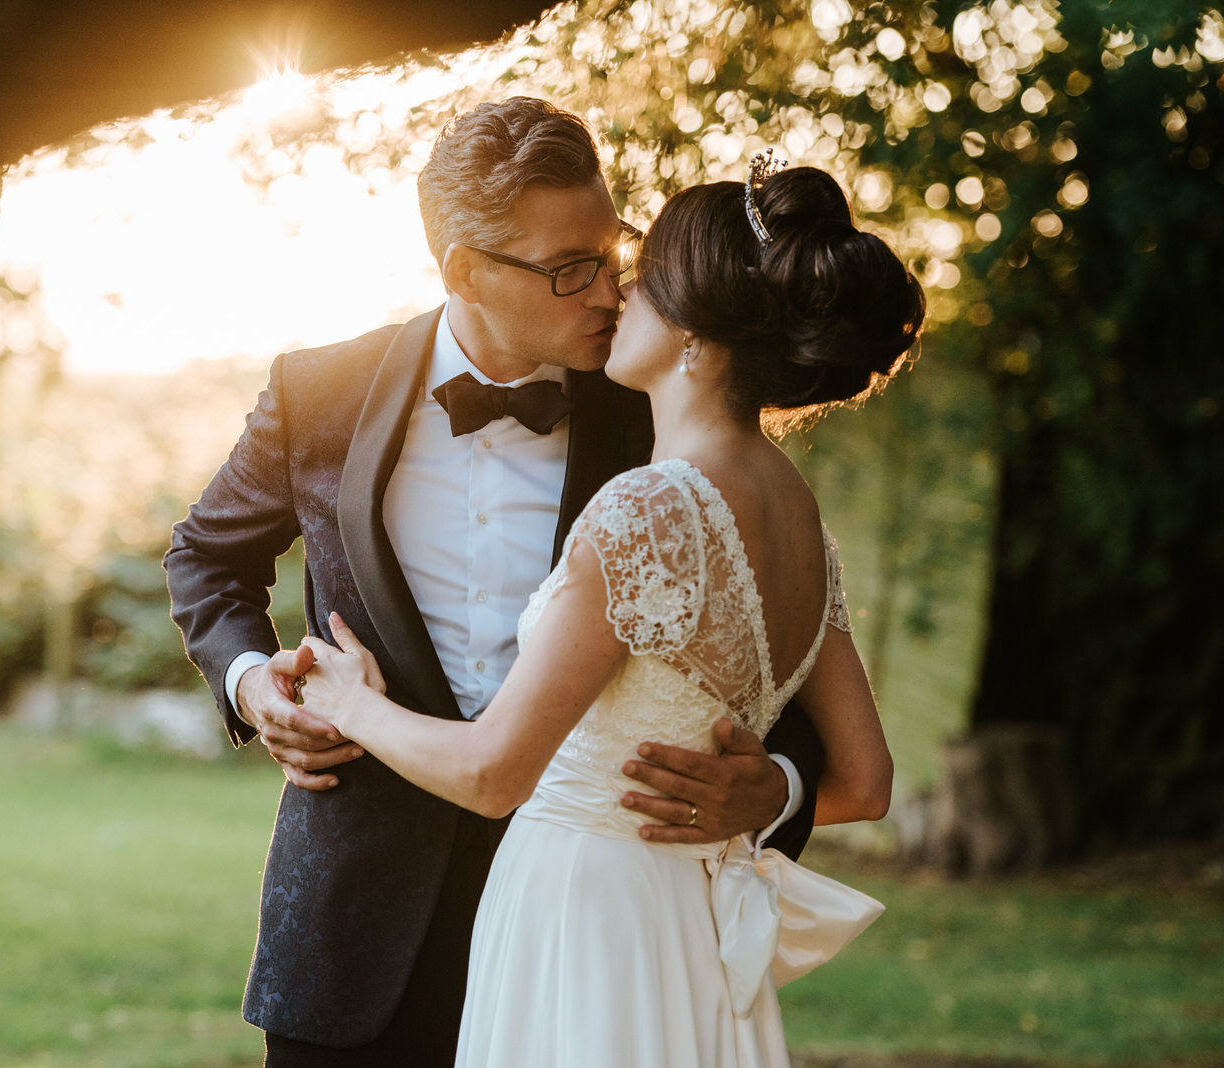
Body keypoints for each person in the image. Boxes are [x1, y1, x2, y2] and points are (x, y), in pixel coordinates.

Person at [164, 98, 827, 1066]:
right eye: (570, 269)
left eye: (613, 253)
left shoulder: (667, 415)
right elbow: (204, 555)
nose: (609, 291)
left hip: (588, 926)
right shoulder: (320, 394)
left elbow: (771, 637)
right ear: (464, 272)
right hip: (352, 929)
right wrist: (250, 679)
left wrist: (775, 787)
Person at [297, 156, 924, 1067]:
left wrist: (346, 701)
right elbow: (865, 784)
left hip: (584, 920)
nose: (616, 293)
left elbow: (491, 775)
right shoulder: (795, 507)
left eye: (644, 278)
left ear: (695, 335)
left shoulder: (648, 510)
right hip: (683, 920)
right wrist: (776, 791)